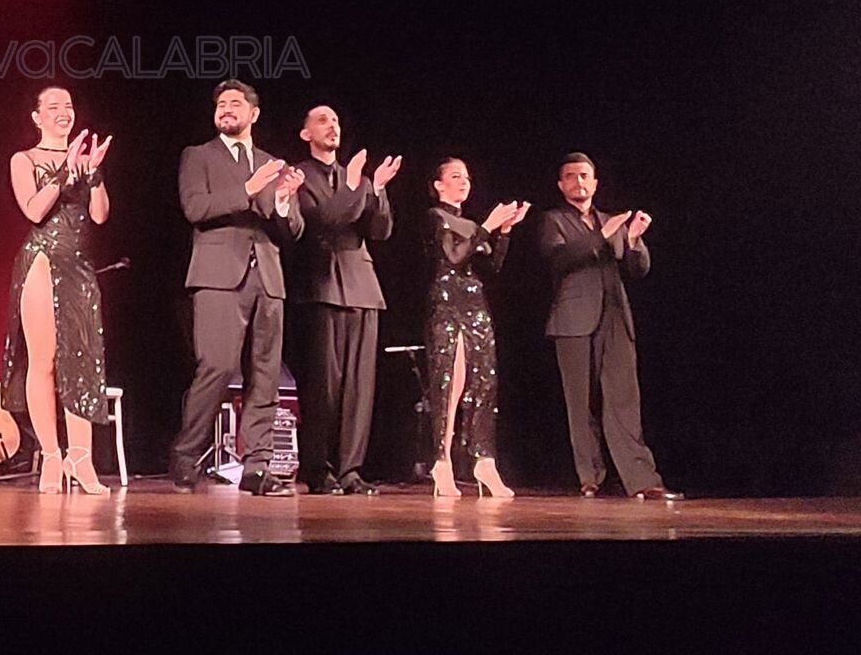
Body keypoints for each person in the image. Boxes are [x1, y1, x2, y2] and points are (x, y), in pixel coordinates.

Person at [169, 80, 304, 496]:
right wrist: (248, 189)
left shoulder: (272, 163)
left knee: (265, 375)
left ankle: (257, 466)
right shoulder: (198, 156)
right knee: (218, 366)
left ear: (254, 114)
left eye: (235, 103)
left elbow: (293, 229)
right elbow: (196, 208)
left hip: (267, 276)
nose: (226, 109)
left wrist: (282, 199)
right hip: (217, 275)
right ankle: (186, 455)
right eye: (221, 104)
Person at [540, 152, 679, 500]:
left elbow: (637, 269)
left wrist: (632, 240)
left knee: (624, 401)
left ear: (596, 182)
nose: (579, 182)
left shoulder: (611, 221)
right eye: (571, 176)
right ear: (561, 185)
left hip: (615, 317)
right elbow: (561, 258)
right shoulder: (553, 221)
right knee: (580, 403)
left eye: (585, 176)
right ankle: (590, 477)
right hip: (573, 320)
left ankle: (642, 479)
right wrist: (603, 234)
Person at [1, 86, 114, 493]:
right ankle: (51, 454)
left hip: (79, 266)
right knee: (44, 360)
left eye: (67, 106)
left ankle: (81, 458)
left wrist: (94, 175)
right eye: (53, 107)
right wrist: (66, 171)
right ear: (36, 117)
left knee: (81, 359)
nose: (62, 113)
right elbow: (33, 209)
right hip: (42, 260)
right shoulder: (24, 159)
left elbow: (100, 216)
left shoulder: (84, 160)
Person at [284, 104, 399, 495]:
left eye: (335, 120)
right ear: (306, 134)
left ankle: (351, 470)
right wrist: (354, 186)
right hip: (320, 287)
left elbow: (380, 231)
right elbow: (322, 220)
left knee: (358, 388)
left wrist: (377, 189)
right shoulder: (298, 174)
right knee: (322, 387)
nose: (332, 126)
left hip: (363, 287)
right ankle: (318, 470)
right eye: (322, 120)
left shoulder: (359, 178)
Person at [422, 158, 528, 498]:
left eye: (467, 176)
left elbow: (491, 266)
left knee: (484, 383)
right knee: (449, 384)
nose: (463, 181)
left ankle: (485, 461)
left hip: (476, 306)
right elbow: (453, 257)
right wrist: (486, 226)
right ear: (438, 185)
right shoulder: (436, 217)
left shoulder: (469, 222)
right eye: (455, 176)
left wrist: (505, 231)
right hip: (448, 304)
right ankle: (441, 461)